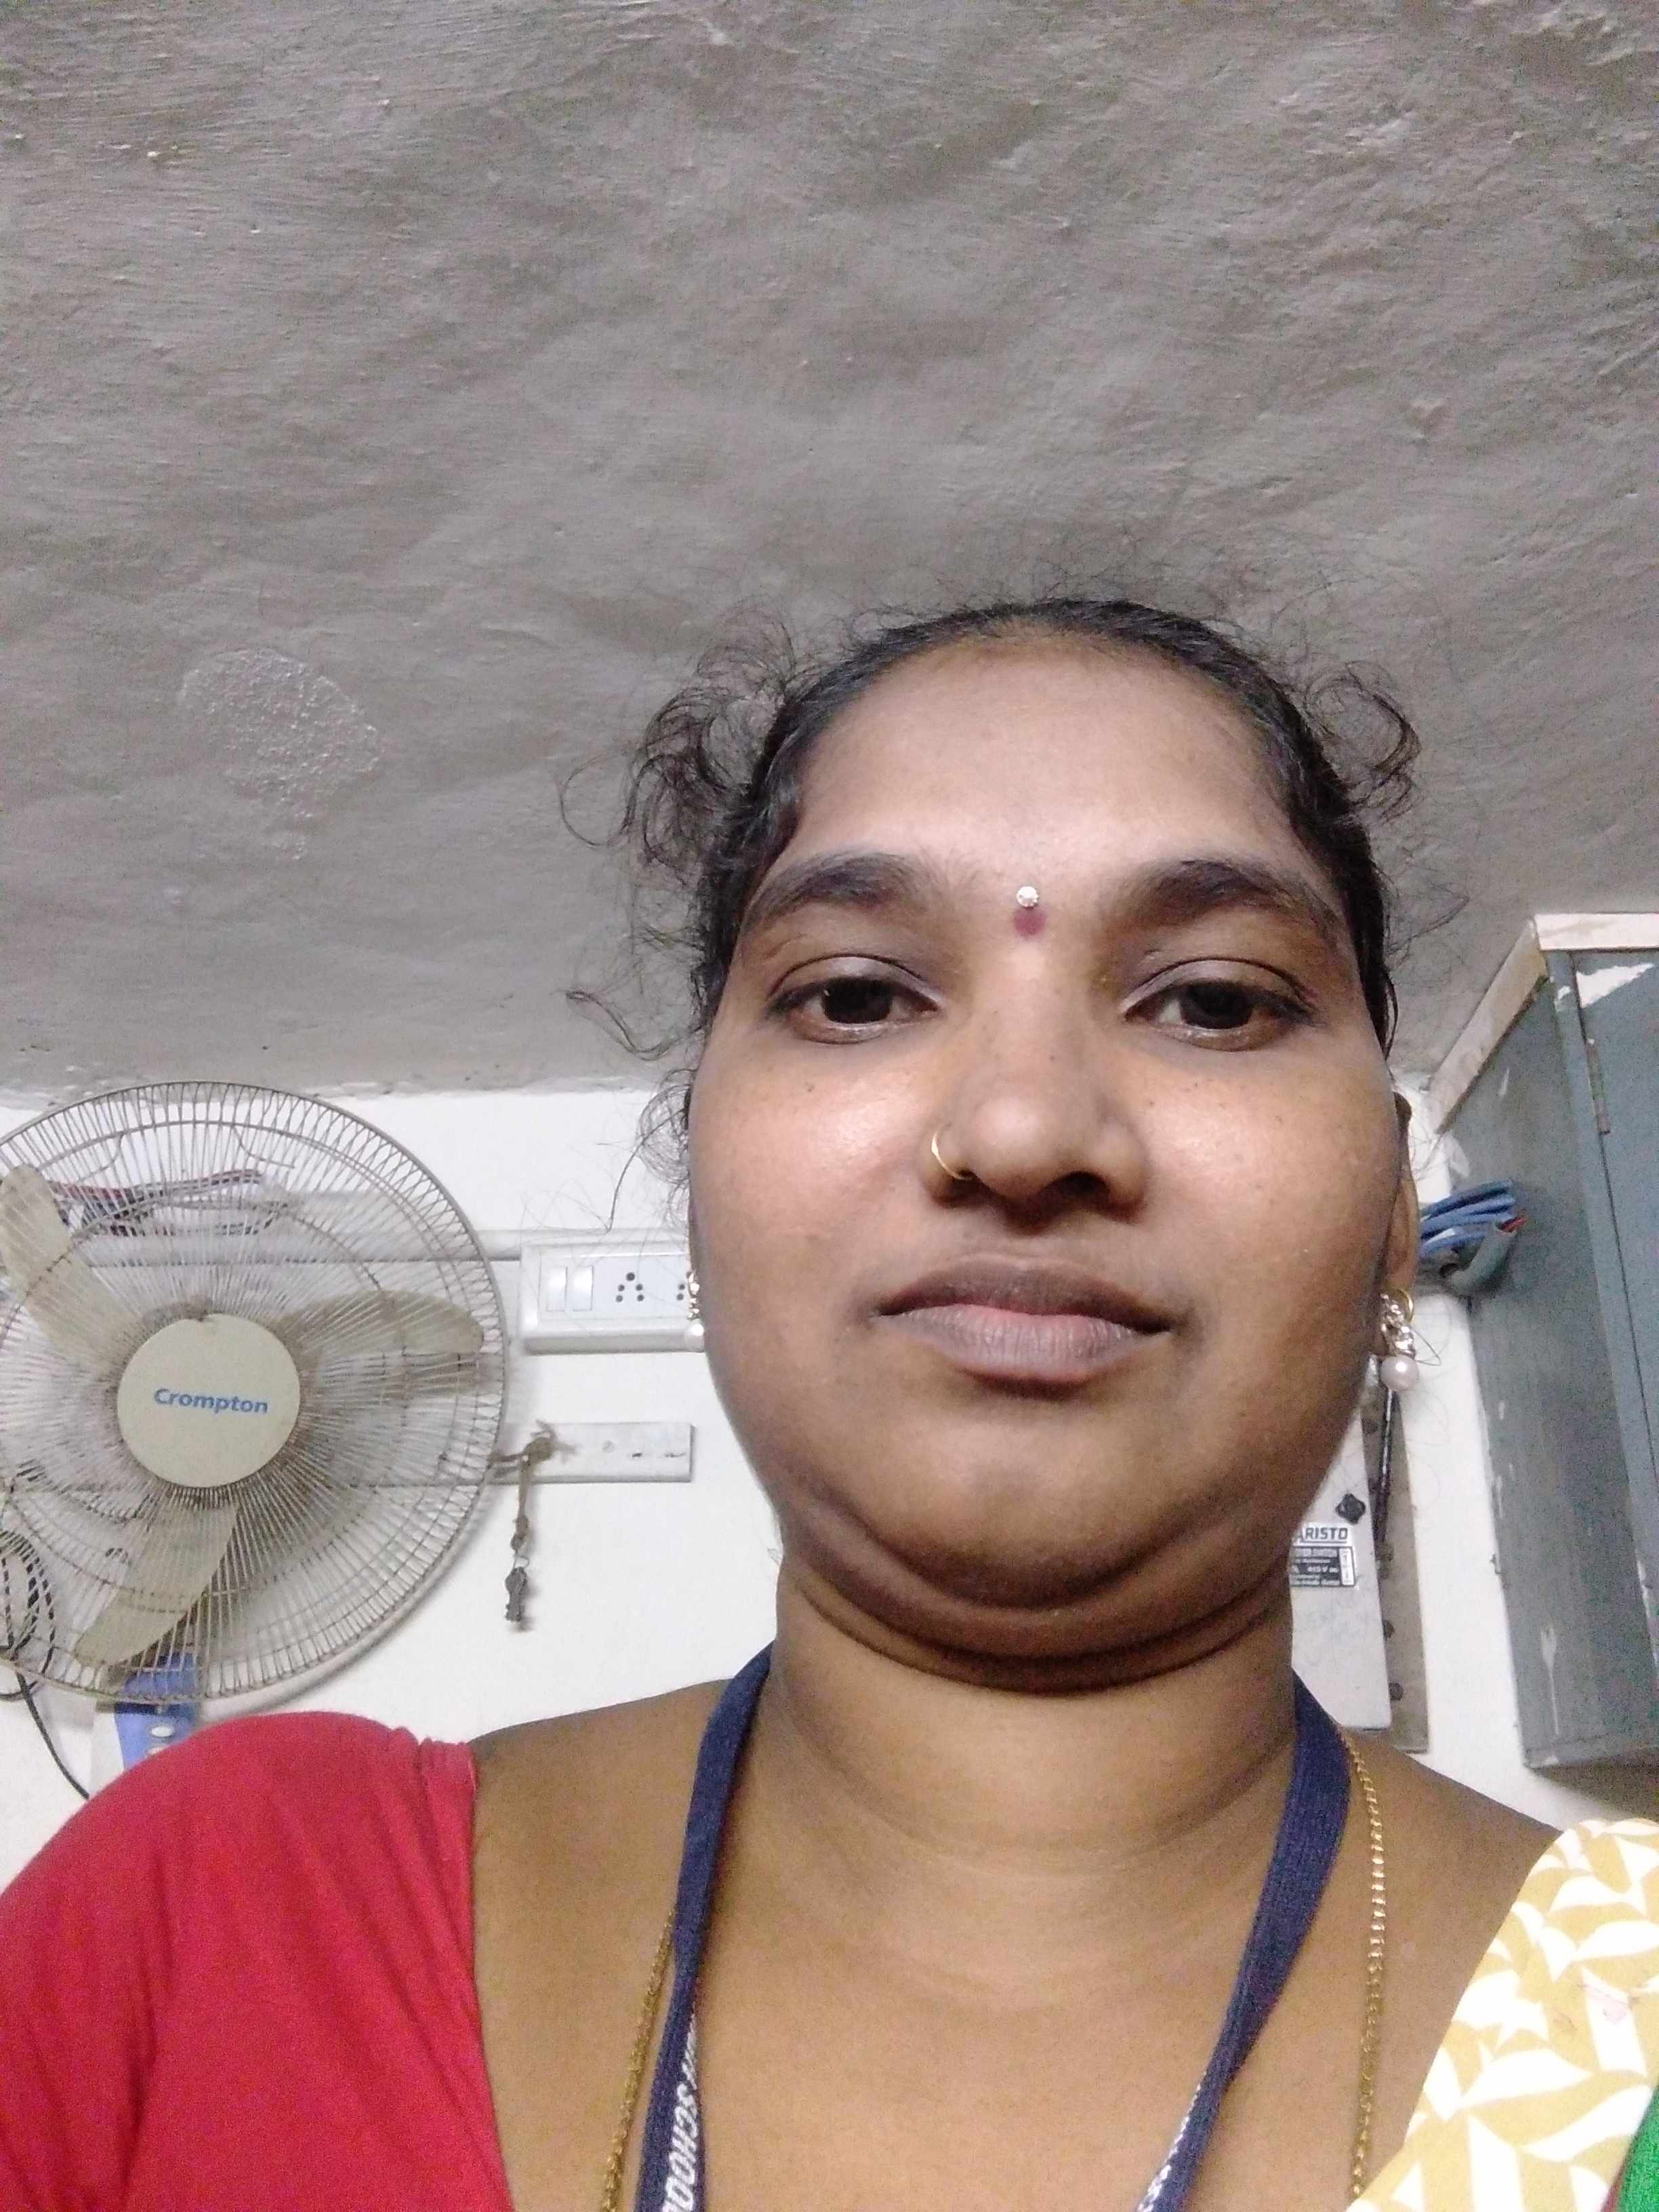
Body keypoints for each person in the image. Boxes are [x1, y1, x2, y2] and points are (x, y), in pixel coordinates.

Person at [2, 594, 1656, 2212]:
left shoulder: (1633, 2034)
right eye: (856, 995)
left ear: (1392, 1225)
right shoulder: (217, 1916)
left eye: (1215, 1000)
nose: (1023, 1131)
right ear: (698, 1193)